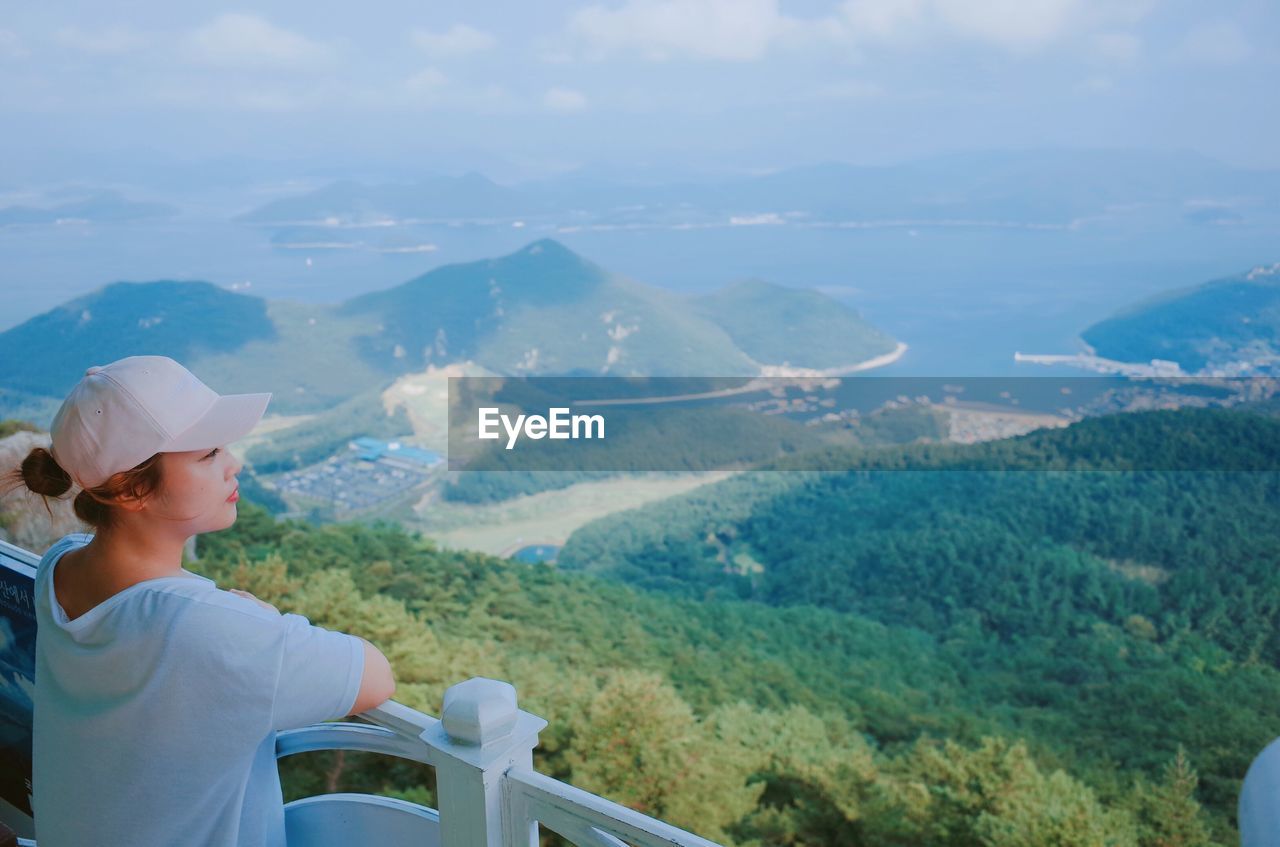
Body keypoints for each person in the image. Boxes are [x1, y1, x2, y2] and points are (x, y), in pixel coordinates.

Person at [1, 355, 396, 847]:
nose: (235, 462)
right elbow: (377, 676)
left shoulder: (57, 568)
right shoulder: (210, 627)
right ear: (129, 490)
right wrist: (265, 621)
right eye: (207, 454)